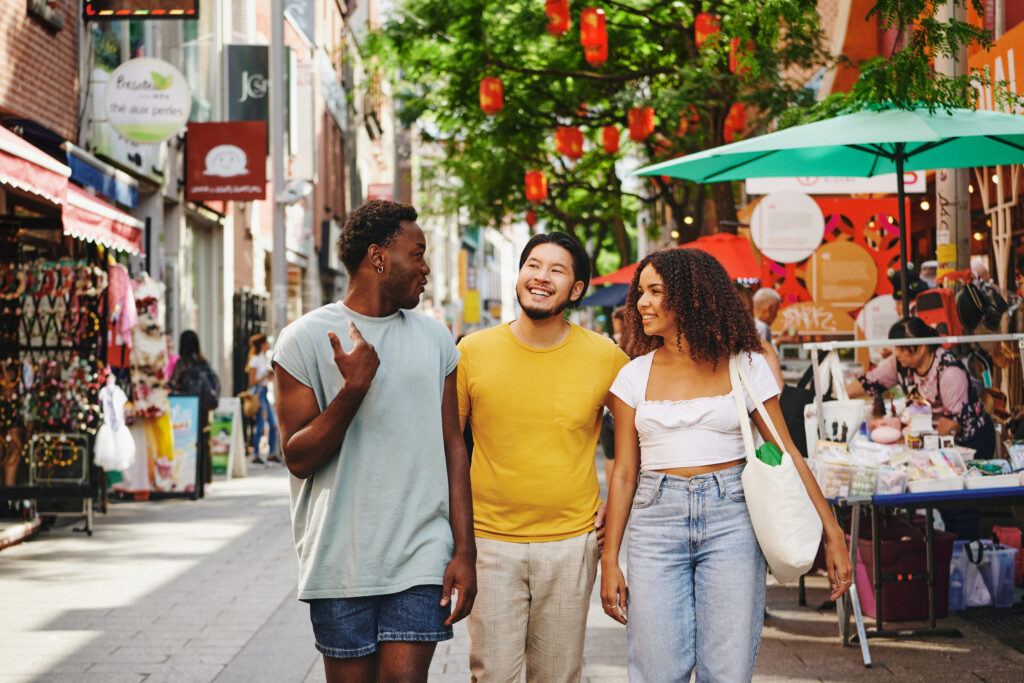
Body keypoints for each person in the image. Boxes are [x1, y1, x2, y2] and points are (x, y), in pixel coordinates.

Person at [600, 248, 852, 682]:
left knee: (728, 671)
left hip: (733, 517)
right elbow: (624, 472)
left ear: (692, 296)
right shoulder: (632, 376)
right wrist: (610, 560)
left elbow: (787, 452)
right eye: (640, 292)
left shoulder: (746, 364)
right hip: (655, 522)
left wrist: (834, 534)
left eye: (655, 291)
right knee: (657, 671)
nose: (641, 302)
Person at [272, 200, 475, 683]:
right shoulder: (302, 339)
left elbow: (453, 446)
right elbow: (297, 457)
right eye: (418, 253)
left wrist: (464, 551)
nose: (426, 268)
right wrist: (355, 387)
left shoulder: (436, 339)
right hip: (340, 558)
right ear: (378, 257)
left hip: (420, 555)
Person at [457, 232, 629, 682]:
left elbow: (635, 443)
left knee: (559, 675)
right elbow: (448, 449)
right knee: (491, 674)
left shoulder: (605, 357)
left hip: (571, 543)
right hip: (488, 541)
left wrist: (613, 515)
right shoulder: (472, 351)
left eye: (557, 270)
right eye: (533, 264)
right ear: (519, 275)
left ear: (575, 290)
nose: (541, 277)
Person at [845, 316, 996, 458]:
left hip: (969, 442)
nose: (897, 353)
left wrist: (922, 449)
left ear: (922, 347)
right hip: (931, 439)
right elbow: (870, 382)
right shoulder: (900, 363)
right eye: (897, 347)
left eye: (903, 348)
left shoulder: (949, 372)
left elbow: (952, 422)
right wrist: (837, 395)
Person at [169, 330, 221, 492]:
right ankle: (206, 480)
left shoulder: (182, 364)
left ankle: (190, 480)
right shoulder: (203, 362)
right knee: (204, 442)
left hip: (186, 408)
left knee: (186, 444)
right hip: (204, 408)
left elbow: (174, 383)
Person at [246, 333, 279, 464]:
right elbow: (252, 380)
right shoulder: (255, 360)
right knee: (260, 425)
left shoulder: (264, 358)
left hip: (264, 393)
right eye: (266, 342)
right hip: (259, 393)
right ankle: (256, 455)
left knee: (273, 424)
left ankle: (270, 453)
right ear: (262, 344)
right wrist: (265, 376)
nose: (268, 345)